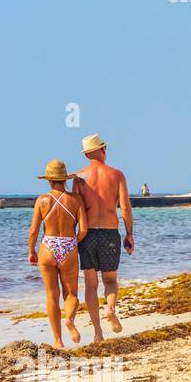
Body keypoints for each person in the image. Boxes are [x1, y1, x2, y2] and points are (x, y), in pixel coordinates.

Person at [73, 134, 134, 342]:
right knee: (110, 281)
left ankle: (98, 333)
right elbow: (125, 207)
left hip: (87, 234)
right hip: (109, 233)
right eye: (105, 148)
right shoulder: (117, 175)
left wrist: (72, 239)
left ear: (87, 154)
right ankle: (110, 308)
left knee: (91, 286)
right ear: (102, 150)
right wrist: (129, 234)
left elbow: (76, 210)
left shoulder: (79, 177)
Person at [28, 159, 88, 348]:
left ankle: (57, 341)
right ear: (65, 179)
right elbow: (84, 230)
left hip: (48, 247)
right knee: (71, 294)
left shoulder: (42, 200)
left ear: (49, 180)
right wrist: (71, 243)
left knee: (51, 295)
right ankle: (69, 319)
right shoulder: (76, 200)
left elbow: (34, 230)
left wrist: (31, 251)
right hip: (69, 246)